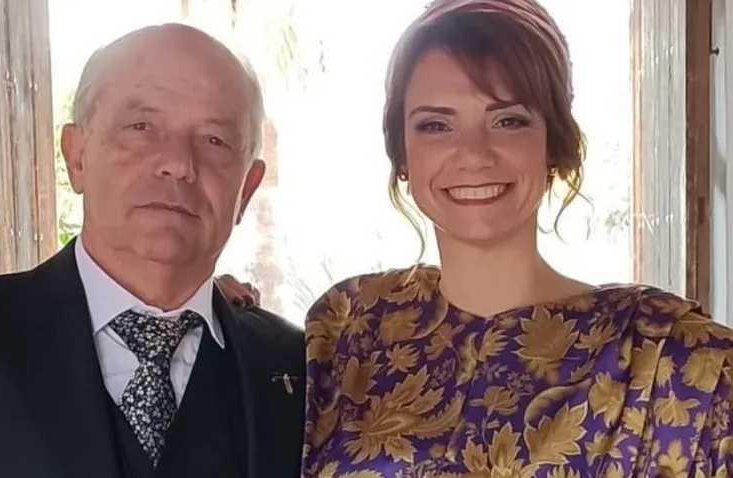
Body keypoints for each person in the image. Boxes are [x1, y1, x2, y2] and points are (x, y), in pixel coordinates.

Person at [217, 0, 733, 476]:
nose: (474, 154)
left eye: (508, 120)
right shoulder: (351, 325)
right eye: (435, 126)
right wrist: (210, 308)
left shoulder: (674, 358)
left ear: (554, 145)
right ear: (402, 156)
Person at [0, 24, 304, 478]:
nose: (178, 164)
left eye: (214, 140)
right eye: (141, 127)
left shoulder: (305, 371)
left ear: (247, 188)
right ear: (77, 156)